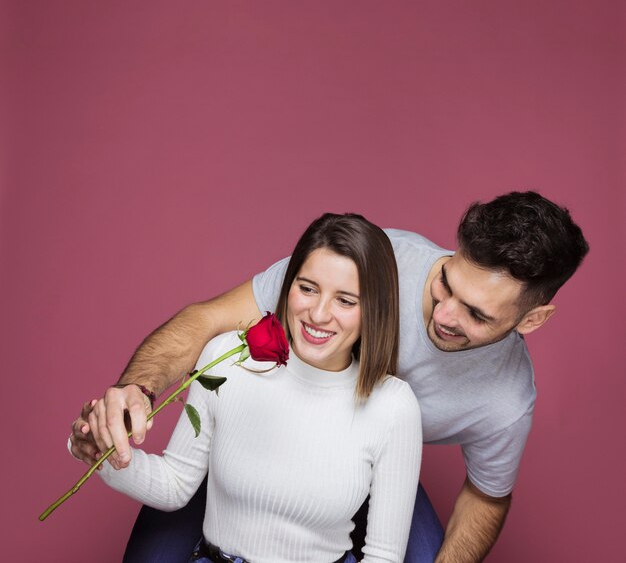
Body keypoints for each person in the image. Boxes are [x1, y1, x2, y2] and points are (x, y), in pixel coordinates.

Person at [70, 190, 589, 563]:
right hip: (245, 474)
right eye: (444, 283)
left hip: (368, 473)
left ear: (531, 320)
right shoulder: (362, 262)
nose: (446, 315)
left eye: (476, 314)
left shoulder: (455, 404)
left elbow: (485, 495)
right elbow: (206, 321)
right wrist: (132, 398)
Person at [96, 213, 422, 563]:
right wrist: (97, 451)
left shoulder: (394, 406)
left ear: (374, 310)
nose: (319, 313)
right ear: (288, 286)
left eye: (345, 300)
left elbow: (383, 556)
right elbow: (175, 485)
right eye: (307, 288)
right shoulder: (226, 358)